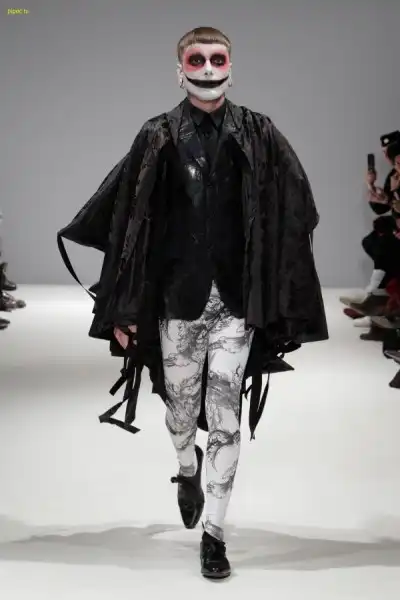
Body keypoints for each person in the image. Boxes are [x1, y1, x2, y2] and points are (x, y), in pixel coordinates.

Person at [57, 26, 328, 579]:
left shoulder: (258, 132)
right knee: (181, 414)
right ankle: (187, 468)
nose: (208, 68)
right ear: (179, 69)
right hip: (176, 302)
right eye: (197, 59)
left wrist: (279, 287)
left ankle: (215, 535)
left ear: (232, 66)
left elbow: (296, 206)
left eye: (217, 58)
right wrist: (125, 308)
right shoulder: (157, 134)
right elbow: (128, 220)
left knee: (225, 416)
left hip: (235, 304)